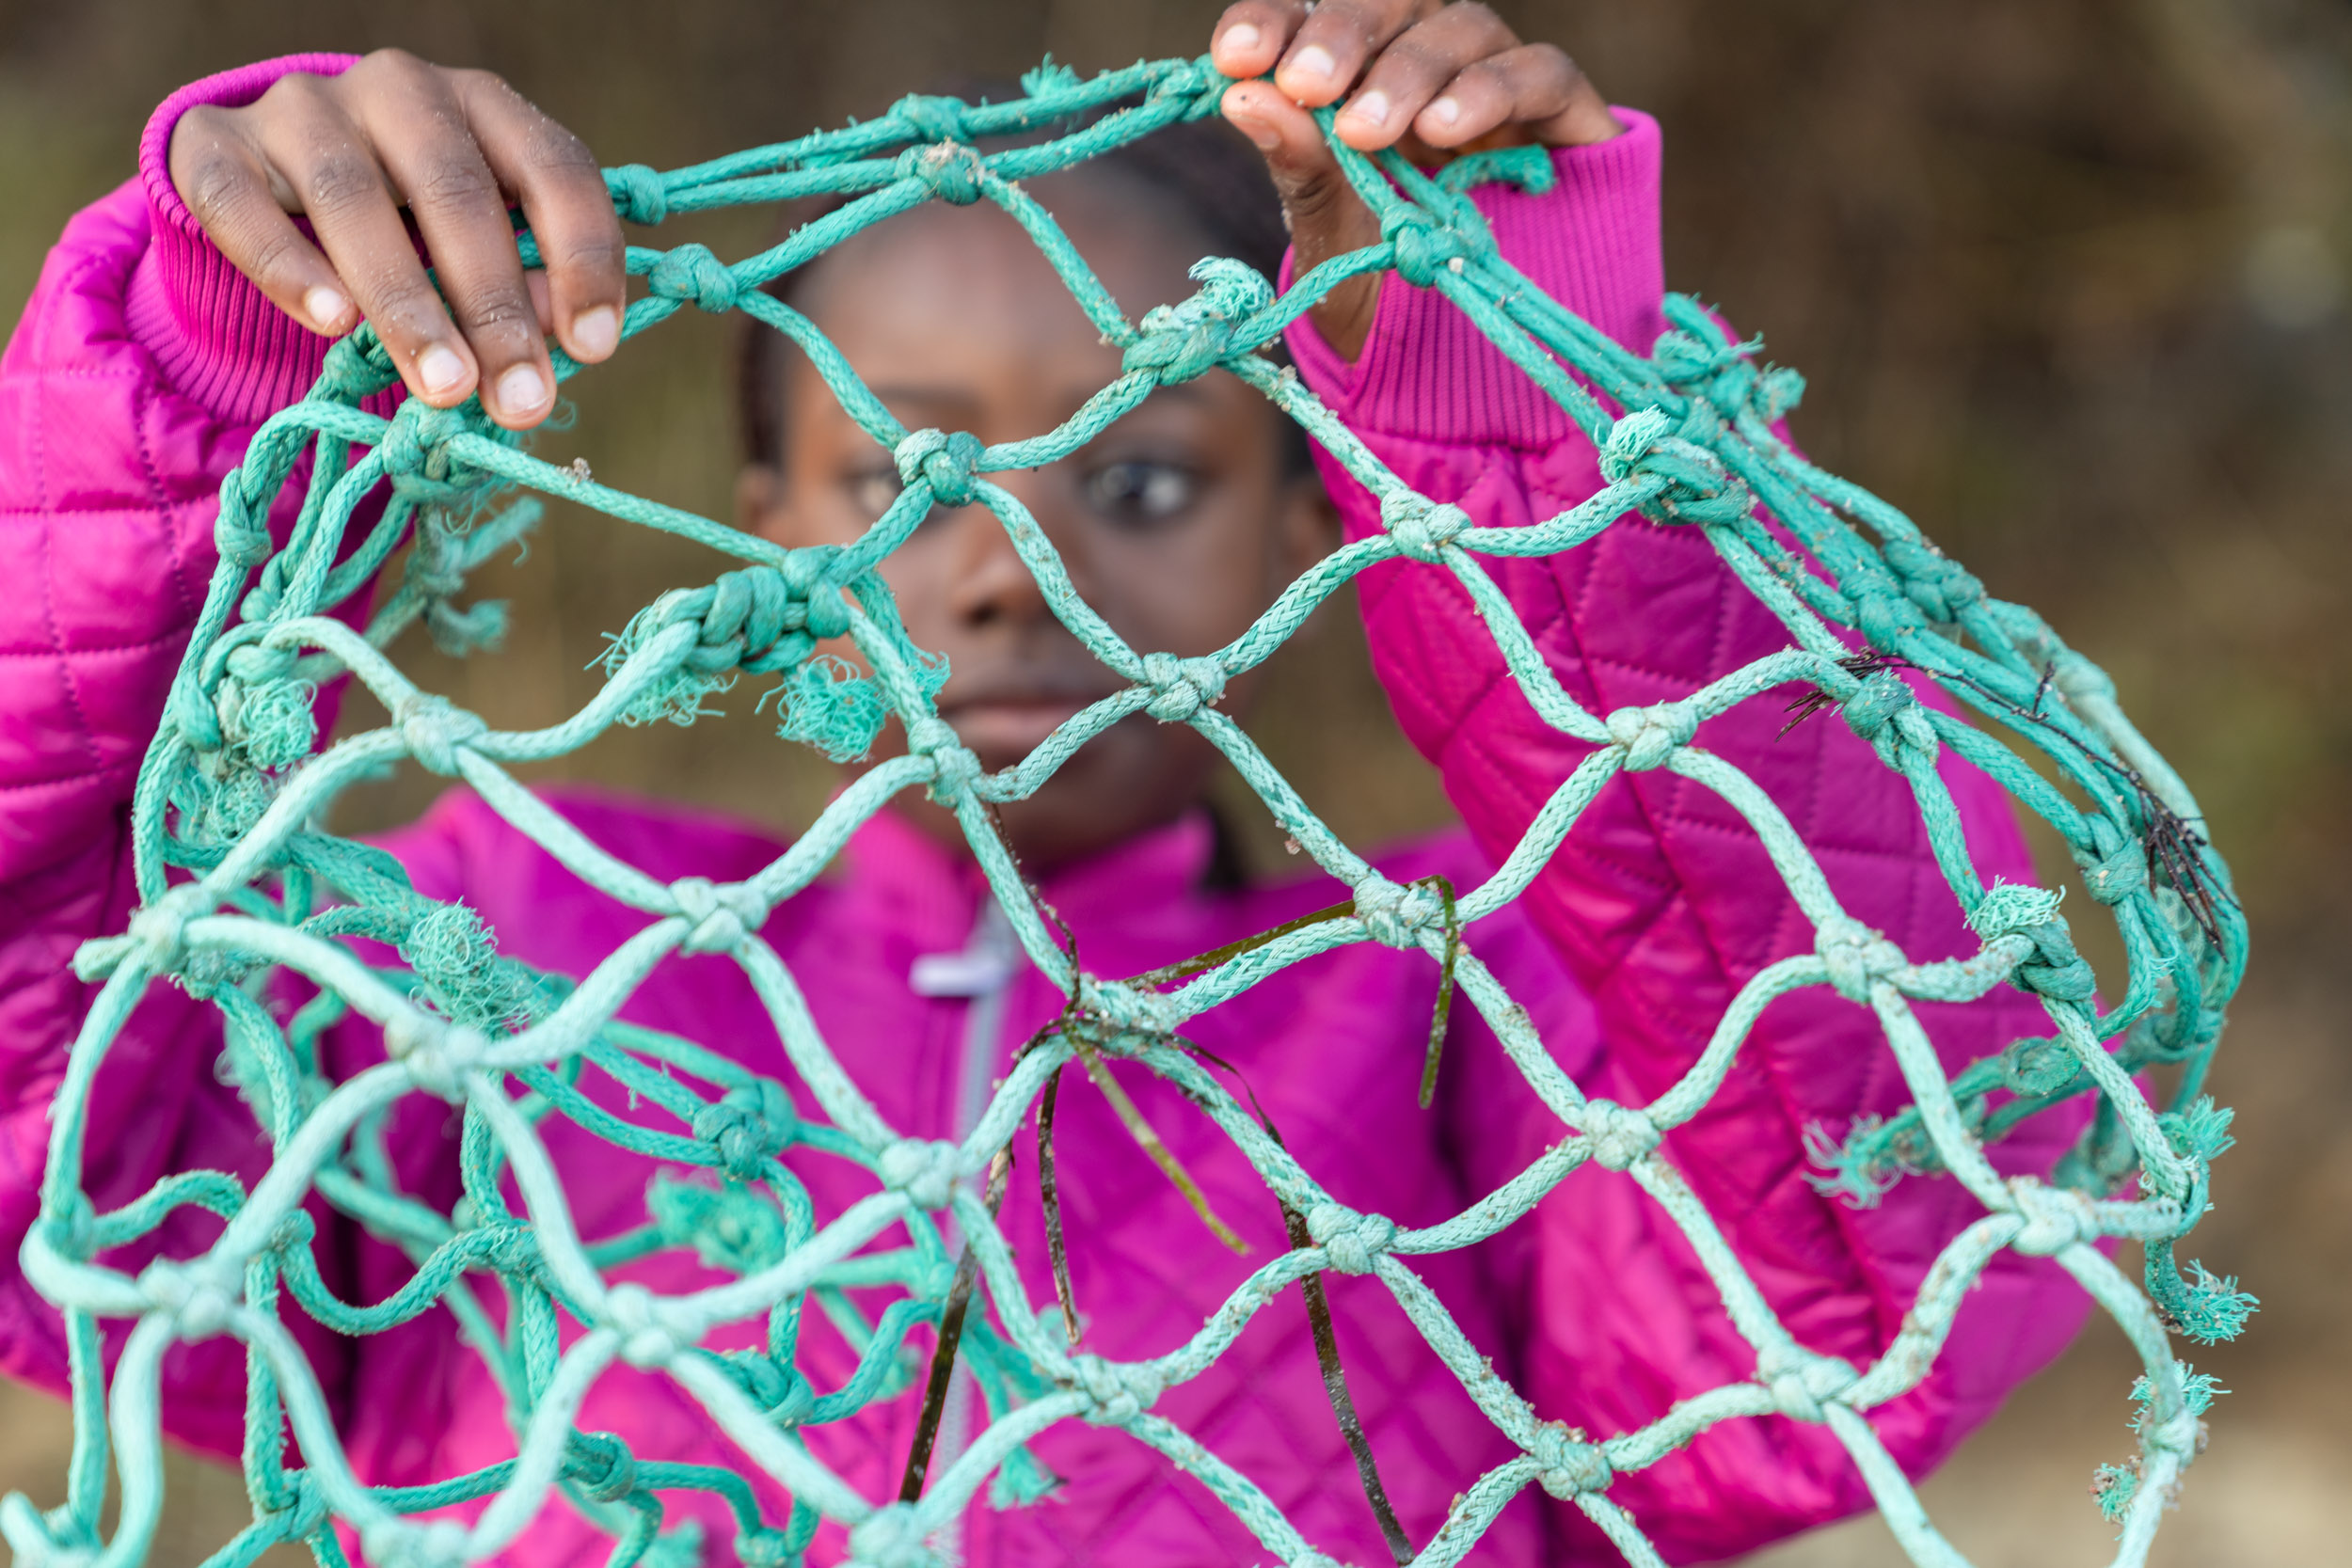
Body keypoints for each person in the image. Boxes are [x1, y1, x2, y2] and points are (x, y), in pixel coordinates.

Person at [0, 2, 2090, 1563]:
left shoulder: (1465, 1022)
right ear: (763, 522)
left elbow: (1888, 1215)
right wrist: (210, 363)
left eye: (1146, 475)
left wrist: (1525, 418)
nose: (1004, 569)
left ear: (1313, 518)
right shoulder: (503, 967)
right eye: (900, 475)